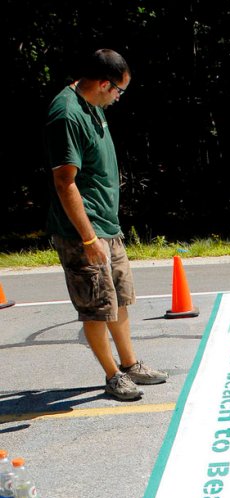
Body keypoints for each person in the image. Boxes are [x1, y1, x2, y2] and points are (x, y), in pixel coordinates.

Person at [44, 48, 167, 400]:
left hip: (106, 225)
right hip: (84, 232)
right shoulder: (66, 114)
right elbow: (65, 182)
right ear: (102, 83)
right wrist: (87, 239)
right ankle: (113, 375)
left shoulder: (93, 106)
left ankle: (130, 364)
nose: (118, 98)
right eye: (118, 91)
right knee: (96, 306)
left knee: (119, 299)